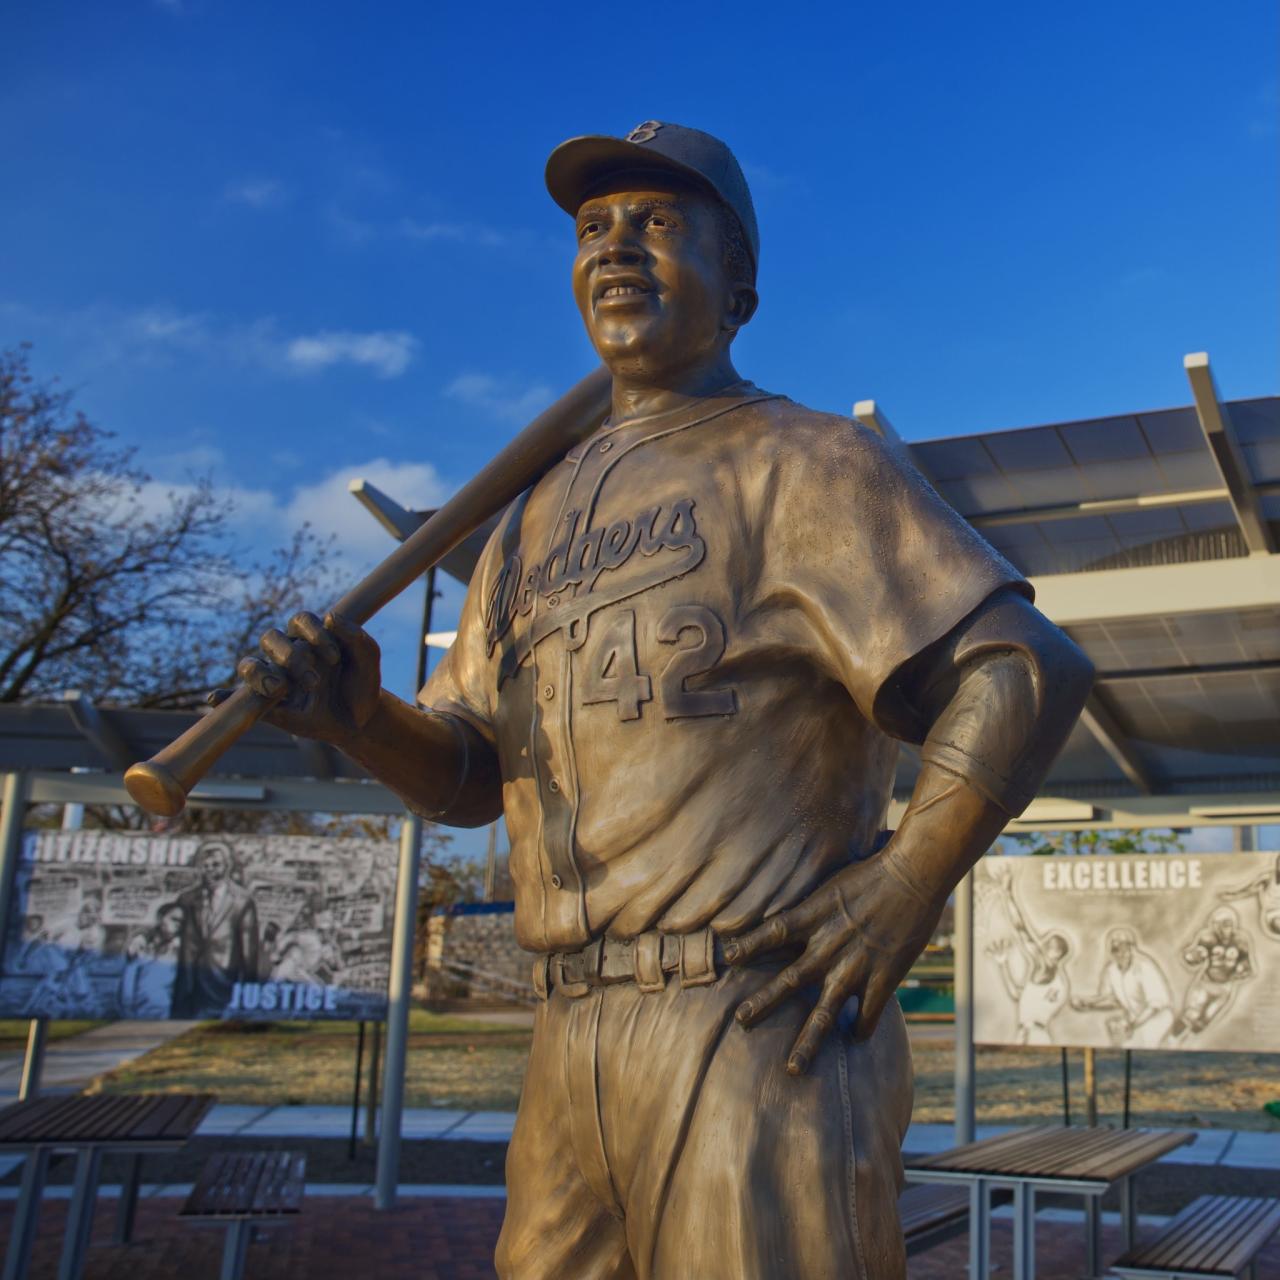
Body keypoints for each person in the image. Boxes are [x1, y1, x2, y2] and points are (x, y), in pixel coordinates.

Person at [229, 122, 1092, 1279]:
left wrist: (902, 881)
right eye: (594, 229)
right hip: (565, 1034)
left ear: (737, 285)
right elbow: (476, 775)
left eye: (659, 222)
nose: (617, 246)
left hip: (751, 1023)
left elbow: (1024, 668)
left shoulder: (803, 460)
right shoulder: (527, 520)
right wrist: (358, 719)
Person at [984, 864, 1072, 1045]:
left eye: (1050, 945)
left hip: (1034, 1033)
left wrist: (1007, 893)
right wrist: (1003, 964)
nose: (1044, 946)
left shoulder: (1046, 967)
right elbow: (1017, 993)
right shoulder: (1053, 976)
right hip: (1031, 1031)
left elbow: (1020, 928)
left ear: (1058, 953)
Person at [172, 840, 259, 1017]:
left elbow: (249, 952)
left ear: (228, 866)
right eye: (205, 865)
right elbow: (169, 928)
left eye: (216, 864)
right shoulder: (186, 899)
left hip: (224, 979)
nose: (210, 869)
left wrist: (247, 992)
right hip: (190, 983)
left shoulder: (242, 901)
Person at [1071, 925, 1174, 1047]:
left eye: (1126, 947)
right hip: (1134, 1022)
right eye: (1116, 949)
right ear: (1111, 951)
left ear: (1132, 948)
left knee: (1144, 1051)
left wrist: (1132, 1024)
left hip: (1157, 1021)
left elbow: (1156, 1005)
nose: (1121, 953)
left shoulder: (1145, 967)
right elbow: (1112, 1000)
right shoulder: (1111, 970)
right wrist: (1088, 1003)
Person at [1170, 904, 1254, 1039]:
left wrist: (1242, 970)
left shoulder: (1240, 940)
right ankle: (1171, 1040)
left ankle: (1186, 1044)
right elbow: (1191, 958)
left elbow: (1248, 967)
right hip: (1205, 984)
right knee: (1191, 1014)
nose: (1226, 928)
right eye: (1223, 924)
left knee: (1204, 1021)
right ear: (1215, 925)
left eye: (1229, 923)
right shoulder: (1207, 937)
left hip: (1225, 988)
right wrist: (1193, 955)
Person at [118, 902, 183, 1019]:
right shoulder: (141, 943)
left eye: (182, 922)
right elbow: (128, 981)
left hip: (166, 1011)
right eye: (174, 919)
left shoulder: (181, 947)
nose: (178, 925)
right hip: (138, 1011)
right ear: (160, 918)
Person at [1218, 852, 1280, 941]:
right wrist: (1231, 894)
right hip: (1273, 915)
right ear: (1277, 864)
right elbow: (1248, 889)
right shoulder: (1267, 877)